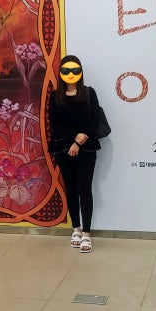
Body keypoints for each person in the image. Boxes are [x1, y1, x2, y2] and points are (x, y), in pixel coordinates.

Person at [48, 54, 101, 253]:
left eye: (75, 70)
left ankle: (87, 233)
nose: (71, 74)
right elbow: (54, 124)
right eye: (67, 70)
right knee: (70, 190)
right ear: (61, 73)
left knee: (84, 190)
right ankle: (76, 229)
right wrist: (73, 137)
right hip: (63, 148)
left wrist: (79, 140)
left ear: (80, 72)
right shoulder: (55, 96)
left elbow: (94, 120)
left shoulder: (88, 92)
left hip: (86, 148)